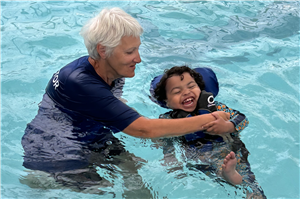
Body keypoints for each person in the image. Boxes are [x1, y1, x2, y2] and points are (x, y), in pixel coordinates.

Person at [20, 7, 229, 197]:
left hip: (90, 132)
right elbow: (143, 130)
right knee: (106, 191)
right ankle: (43, 180)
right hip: (56, 154)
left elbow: (111, 105)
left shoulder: (112, 70)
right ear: (103, 50)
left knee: (133, 172)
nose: (138, 59)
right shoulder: (79, 81)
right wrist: (210, 119)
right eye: (130, 52)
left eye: (137, 49)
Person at [151, 65, 266, 198]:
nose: (186, 92)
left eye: (191, 86)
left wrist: (228, 126)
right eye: (177, 91)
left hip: (228, 149)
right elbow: (165, 139)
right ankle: (228, 174)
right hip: (197, 156)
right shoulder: (168, 119)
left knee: (247, 181)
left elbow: (242, 119)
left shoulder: (217, 107)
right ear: (167, 102)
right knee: (228, 175)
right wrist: (170, 157)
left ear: (200, 88)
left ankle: (228, 174)